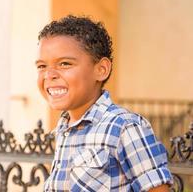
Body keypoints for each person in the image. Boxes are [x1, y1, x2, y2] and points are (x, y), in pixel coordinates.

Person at [35, 15, 173, 192]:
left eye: (64, 63)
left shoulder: (124, 126)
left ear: (101, 70)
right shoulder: (64, 129)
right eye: (41, 66)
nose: (49, 75)